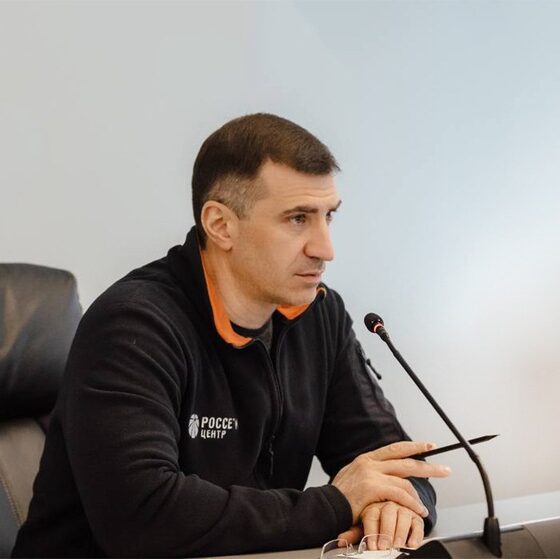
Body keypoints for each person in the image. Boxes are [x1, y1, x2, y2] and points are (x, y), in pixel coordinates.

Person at [12, 113, 450, 558]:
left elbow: (392, 459)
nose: (325, 248)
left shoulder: (319, 314)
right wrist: (336, 505)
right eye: (298, 219)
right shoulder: (132, 325)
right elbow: (143, 519)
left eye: (328, 216)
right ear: (221, 225)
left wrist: (396, 506)